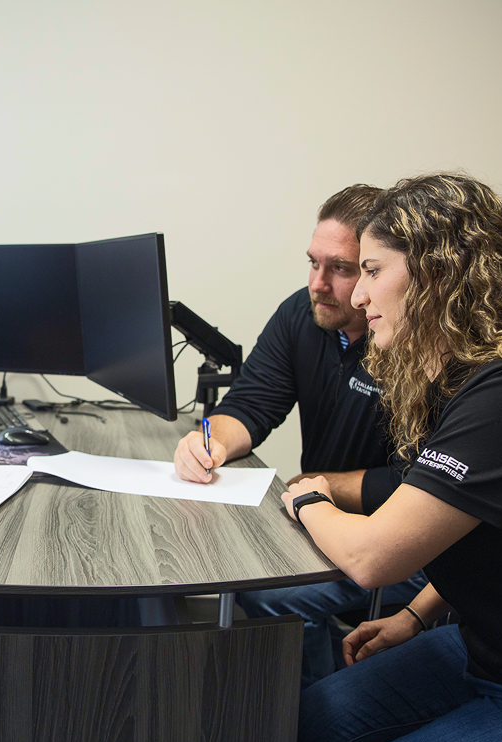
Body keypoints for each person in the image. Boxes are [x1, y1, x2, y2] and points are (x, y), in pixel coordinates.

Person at [288, 173, 502, 742]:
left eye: (372, 271)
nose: (359, 297)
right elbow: (483, 525)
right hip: (484, 646)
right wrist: (414, 616)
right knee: (306, 721)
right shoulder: (460, 380)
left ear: (437, 274)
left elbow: (371, 558)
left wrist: (308, 497)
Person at [174, 184, 426, 687]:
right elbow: (250, 404)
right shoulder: (302, 314)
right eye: (313, 263)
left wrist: (319, 487)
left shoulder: (412, 342)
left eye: (342, 269)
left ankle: (315, 709)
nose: (318, 284)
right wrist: (210, 442)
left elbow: (417, 482)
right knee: (232, 563)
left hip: (404, 541)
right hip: (320, 517)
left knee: (273, 594)